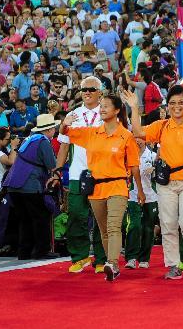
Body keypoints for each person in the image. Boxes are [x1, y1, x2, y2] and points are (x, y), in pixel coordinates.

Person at [123, 85, 183, 280]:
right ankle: (173, 265)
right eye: (172, 103)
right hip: (166, 183)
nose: (176, 106)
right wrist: (135, 107)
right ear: (167, 105)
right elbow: (137, 131)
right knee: (168, 223)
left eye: (181, 103)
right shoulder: (161, 126)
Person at [60, 95, 144, 282]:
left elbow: (134, 166)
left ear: (116, 111)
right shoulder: (91, 133)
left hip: (118, 186)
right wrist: (64, 123)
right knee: (104, 229)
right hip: (95, 188)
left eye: (106, 106)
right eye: (102, 106)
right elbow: (66, 132)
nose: (102, 109)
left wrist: (139, 190)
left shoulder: (126, 136)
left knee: (114, 227)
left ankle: (112, 263)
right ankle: (111, 265)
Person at [54, 76, 107, 274]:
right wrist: (58, 171)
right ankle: (80, 256)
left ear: (99, 92)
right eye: (84, 89)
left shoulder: (107, 112)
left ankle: (101, 258)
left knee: (101, 217)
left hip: (103, 172)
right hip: (77, 173)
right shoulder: (73, 114)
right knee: (76, 215)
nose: (87, 92)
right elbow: (64, 144)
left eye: (91, 89)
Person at [2, 114, 58, 261]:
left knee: (24, 219)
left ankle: (24, 252)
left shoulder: (29, 138)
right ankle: (41, 250)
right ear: (50, 129)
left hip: (14, 184)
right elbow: (52, 164)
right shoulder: (43, 141)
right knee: (41, 217)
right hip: (30, 184)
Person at [124, 138, 158, 269]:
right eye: (135, 138)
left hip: (151, 196)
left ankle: (144, 258)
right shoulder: (127, 155)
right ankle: (131, 257)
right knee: (135, 225)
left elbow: (163, 171)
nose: (138, 141)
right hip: (133, 196)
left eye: (141, 139)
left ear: (146, 140)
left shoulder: (153, 156)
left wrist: (154, 168)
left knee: (148, 228)